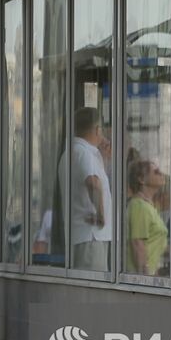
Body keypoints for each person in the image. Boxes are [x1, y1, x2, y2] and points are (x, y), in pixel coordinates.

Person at [64, 107, 112, 272]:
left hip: (85, 237)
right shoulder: (83, 152)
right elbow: (93, 183)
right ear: (98, 129)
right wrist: (101, 215)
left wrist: (103, 160)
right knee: (94, 290)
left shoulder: (75, 151)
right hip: (91, 236)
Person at [125, 159, 169, 276]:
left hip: (151, 272)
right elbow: (138, 243)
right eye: (156, 172)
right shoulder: (138, 205)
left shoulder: (149, 206)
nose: (161, 173)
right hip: (141, 275)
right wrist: (145, 278)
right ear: (141, 179)